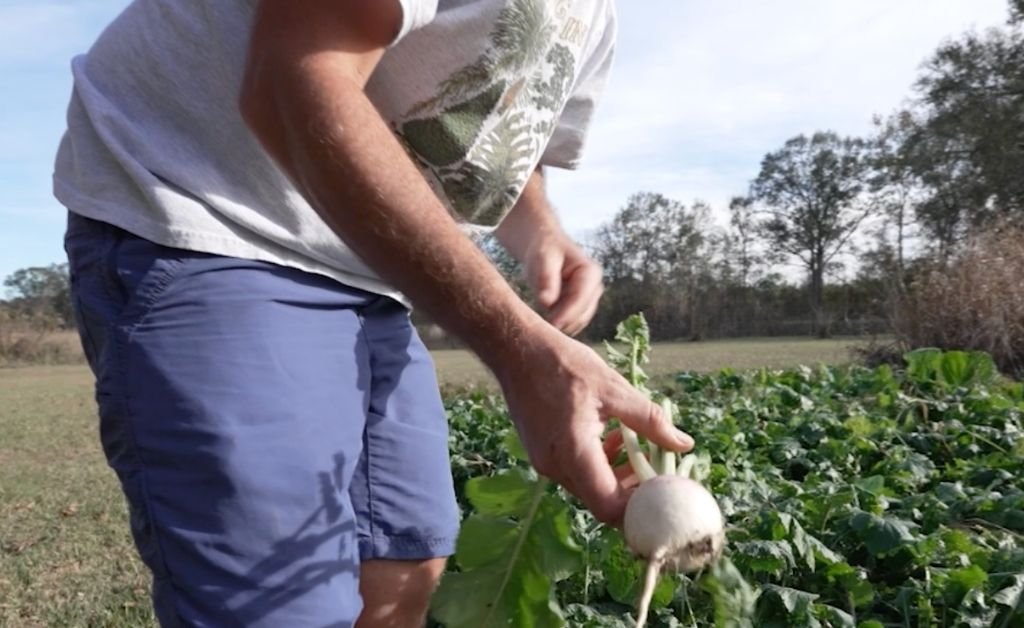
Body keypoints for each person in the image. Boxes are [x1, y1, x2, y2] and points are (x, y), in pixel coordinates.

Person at [54, 1, 695, 625]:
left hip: (370, 267)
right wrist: (520, 350)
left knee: (400, 569)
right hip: (207, 208)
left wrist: (540, 235)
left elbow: (491, 124)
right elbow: (293, 83)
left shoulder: (594, 16)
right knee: (278, 602)